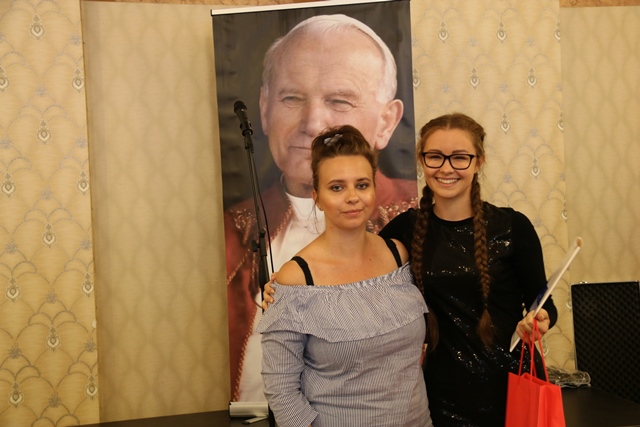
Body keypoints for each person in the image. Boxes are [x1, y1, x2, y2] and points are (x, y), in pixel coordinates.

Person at [264, 113, 559, 426]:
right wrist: (282, 289)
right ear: (422, 161)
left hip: (508, 388)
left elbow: (544, 303)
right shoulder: (405, 234)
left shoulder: (512, 227)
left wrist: (541, 319)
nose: (447, 168)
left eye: (460, 157)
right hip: (439, 398)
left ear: (479, 161)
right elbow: (350, 269)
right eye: (435, 156)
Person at [224, 14, 418, 401]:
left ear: (387, 121)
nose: (313, 124)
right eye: (291, 98)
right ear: (264, 107)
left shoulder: (412, 226)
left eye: (339, 101)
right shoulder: (229, 234)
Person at [256, 125, 432, 427]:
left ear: (374, 189)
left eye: (362, 185)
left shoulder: (398, 255)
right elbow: (281, 390)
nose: (352, 197)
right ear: (317, 197)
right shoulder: (297, 279)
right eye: (337, 187)